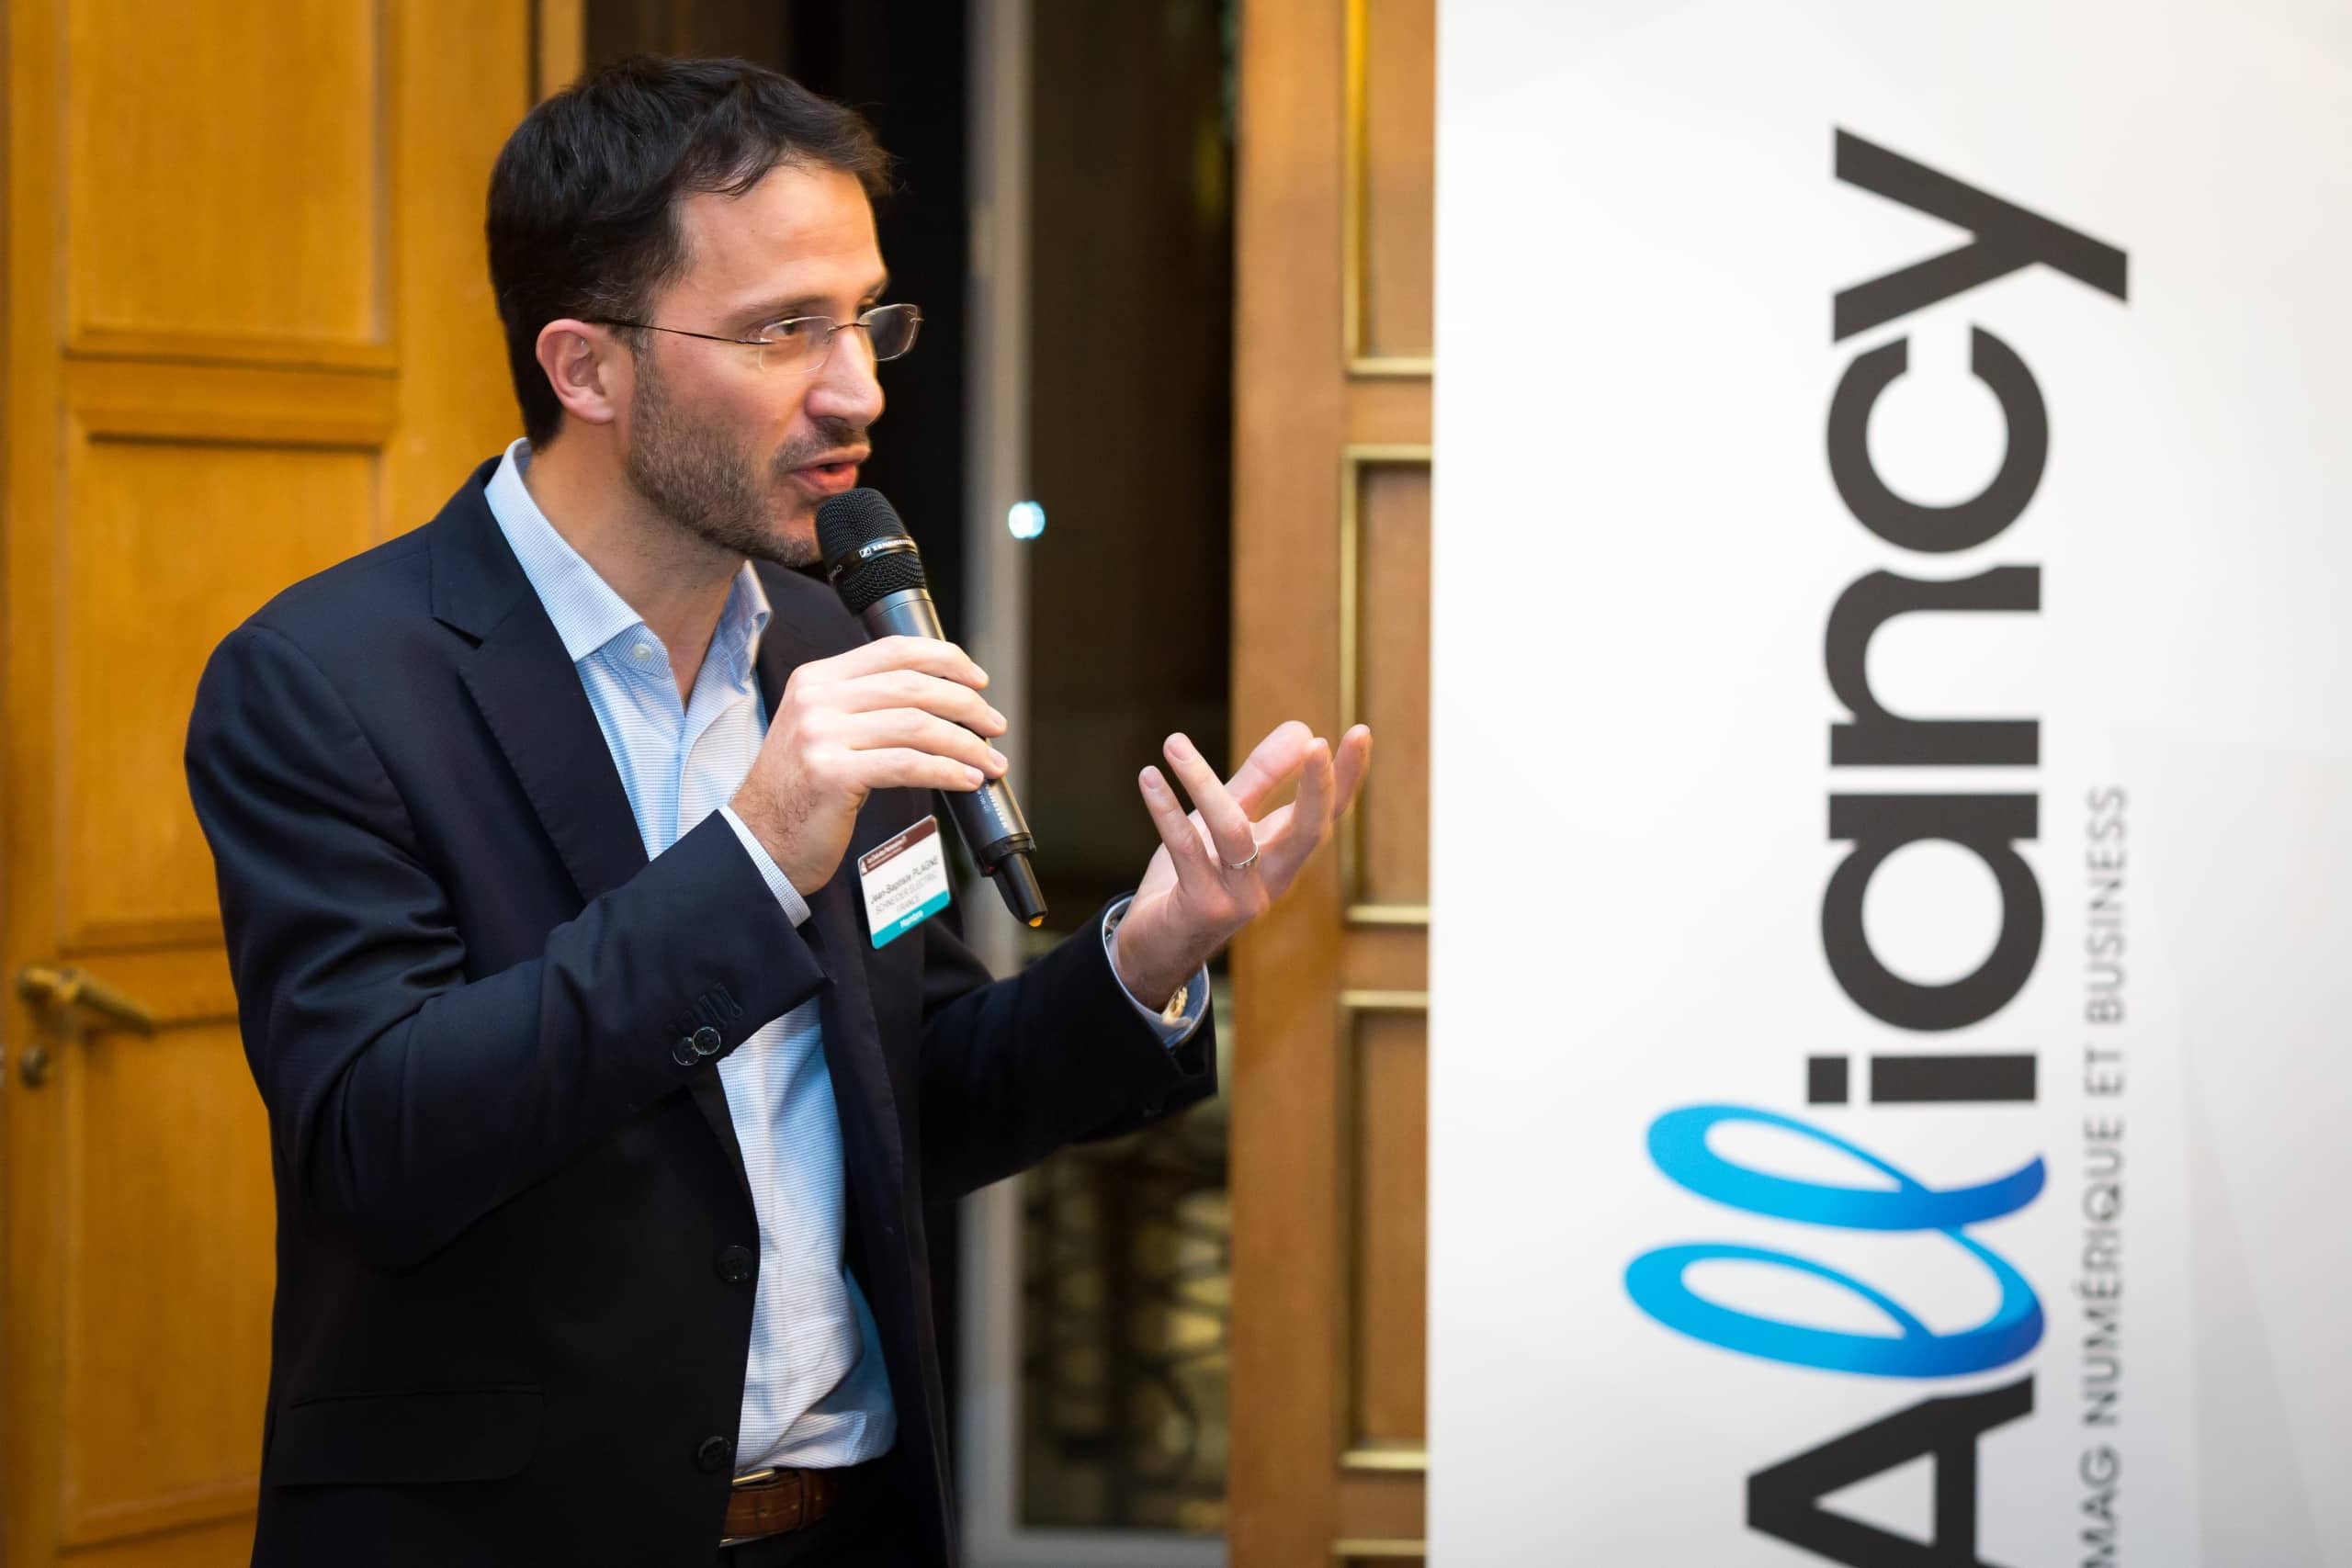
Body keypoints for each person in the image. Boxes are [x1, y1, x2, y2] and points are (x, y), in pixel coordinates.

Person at [183, 54, 1369, 1568]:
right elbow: (382, 1145)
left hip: (845, 1521)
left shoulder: (822, 644)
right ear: (586, 368)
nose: (857, 388)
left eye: (867, 318)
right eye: (781, 330)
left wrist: (1149, 953)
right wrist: (750, 858)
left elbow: (914, 1089)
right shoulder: (327, 682)